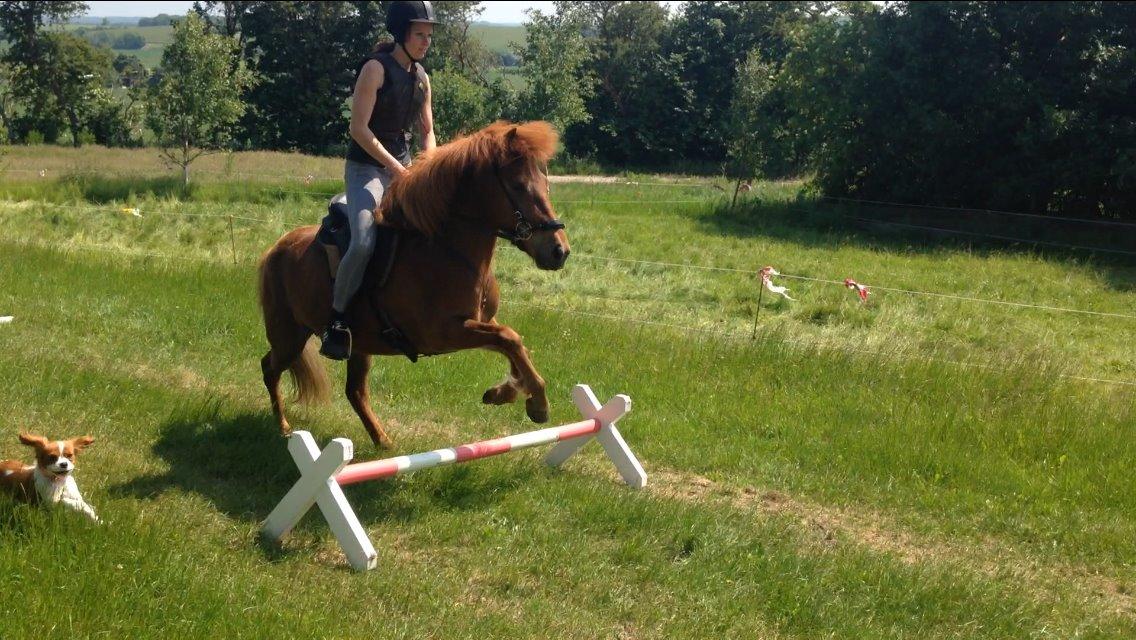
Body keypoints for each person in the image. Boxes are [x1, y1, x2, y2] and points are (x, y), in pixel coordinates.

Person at [320, 0, 439, 360]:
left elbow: (428, 131)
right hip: (366, 170)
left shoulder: (422, 79)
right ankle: (337, 320)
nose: (425, 42)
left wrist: (427, 167)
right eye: (419, 34)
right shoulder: (375, 69)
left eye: (429, 36)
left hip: (402, 168)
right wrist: (397, 170)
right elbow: (358, 130)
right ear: (401, 32)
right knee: (363, 241)